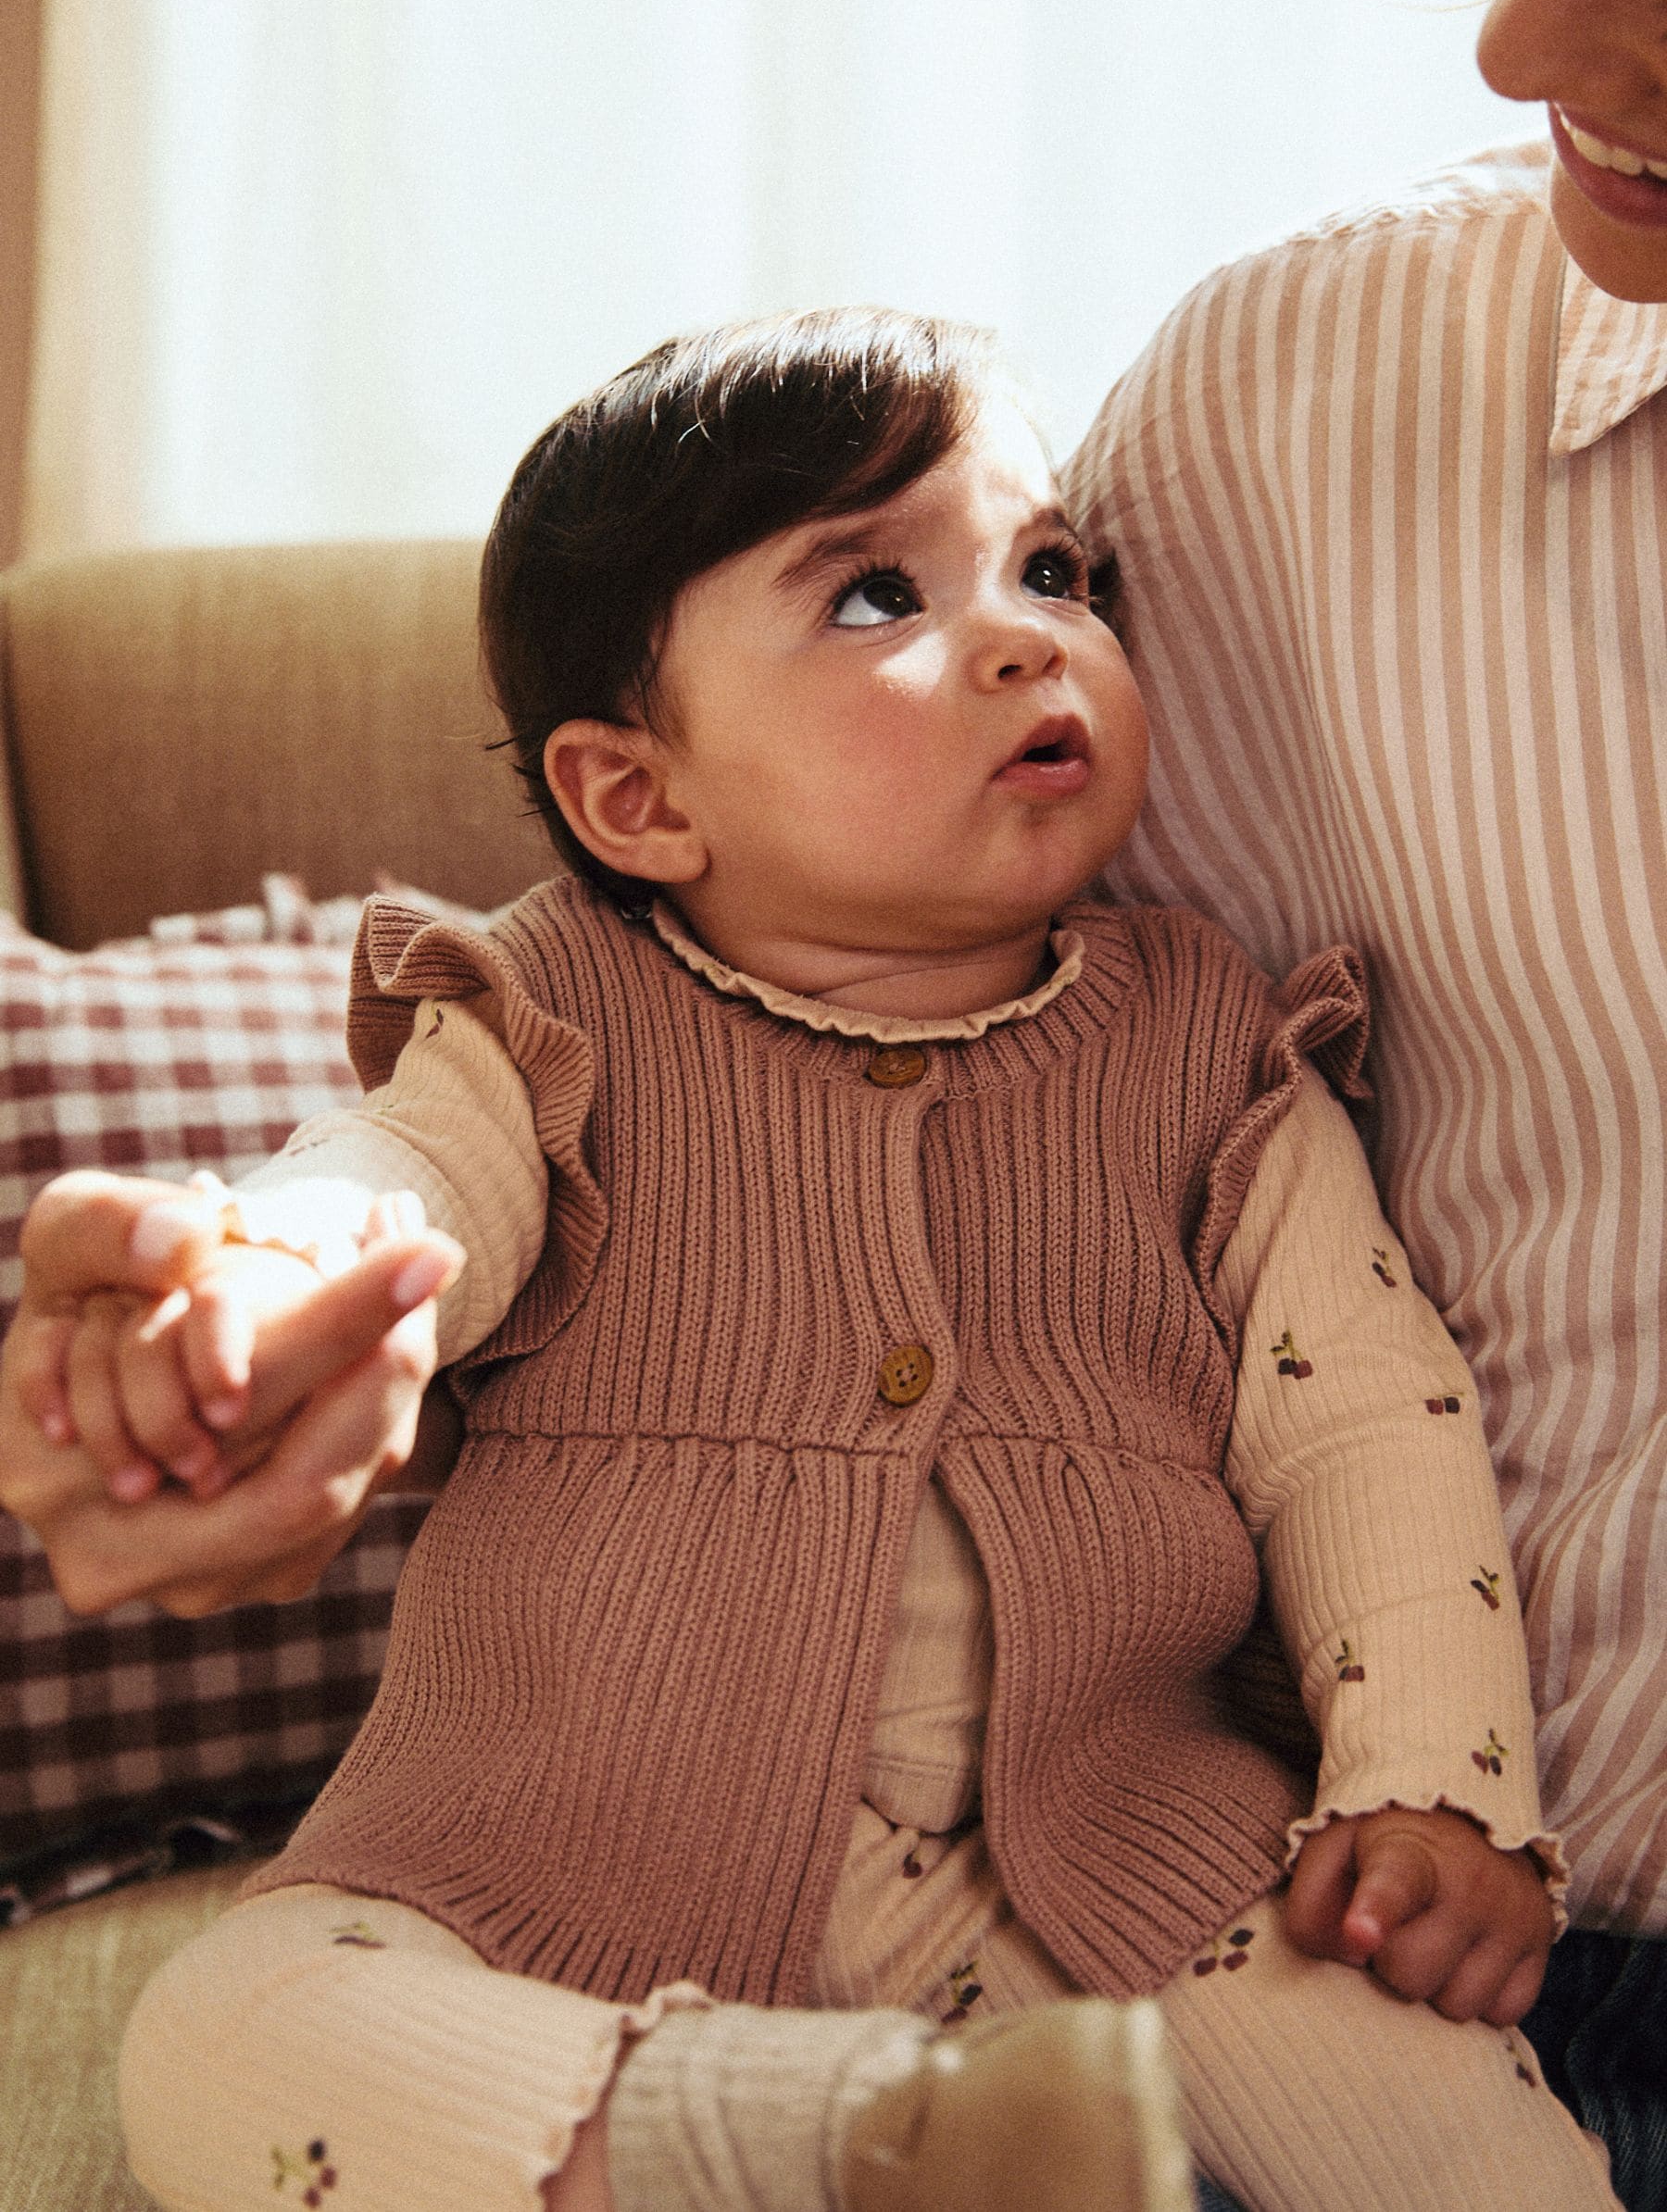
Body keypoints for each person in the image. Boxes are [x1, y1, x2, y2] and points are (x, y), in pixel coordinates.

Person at [0, 308, 1616, 2212]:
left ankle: (979, 2147)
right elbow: (397, 1184)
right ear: (641, 800)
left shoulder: (1213, 1045)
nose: (1030, 633)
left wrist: (1433, 1786)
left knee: (1447, 2116)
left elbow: (1364, 1419)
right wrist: (266, 1275)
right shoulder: (550, 1017)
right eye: (874, 596)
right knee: (229, 2033)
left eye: (1053, 569)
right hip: (567, 1872)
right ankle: (836, 2150)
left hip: (1158, 1876)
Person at [1059, 0, 1667, 2206]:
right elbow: (903, 1073)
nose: (1523, 34)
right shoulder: (1285, 420)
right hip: (1482, 1979)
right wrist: (368, 1254)